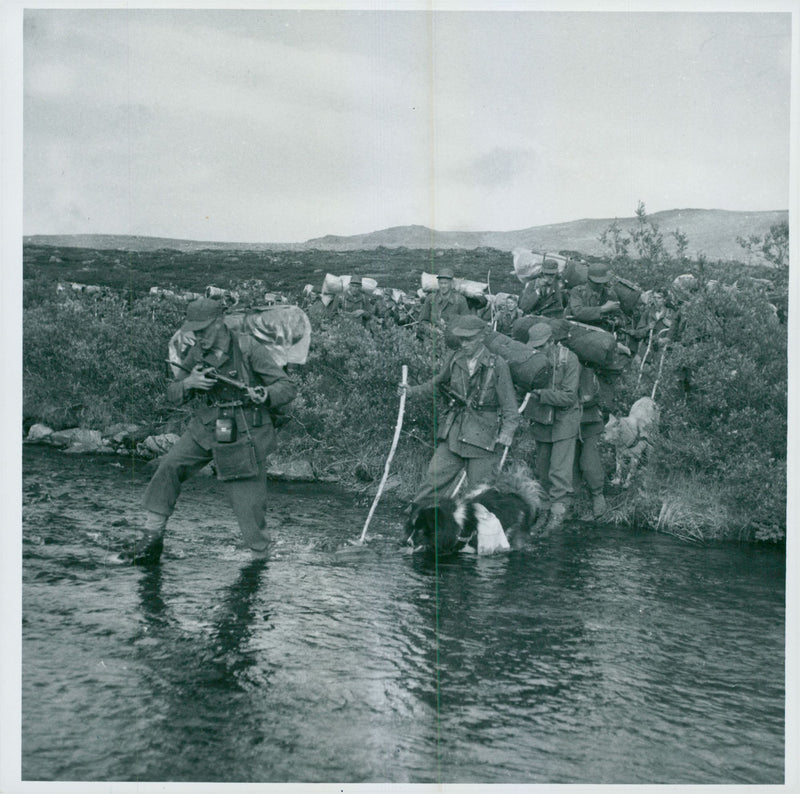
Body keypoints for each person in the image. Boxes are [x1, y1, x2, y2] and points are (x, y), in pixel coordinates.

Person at [122, 297, 297, 565]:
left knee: (248, 505)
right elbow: (172, 393)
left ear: (220, 322)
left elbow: (286, 387)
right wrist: (189, 383)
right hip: (207, 426)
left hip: (245, 432)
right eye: (194, 331)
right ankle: (151, 539)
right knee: (169, 466)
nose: (198, 336)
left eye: (203, 330)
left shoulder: (249, 348)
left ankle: (260, 561)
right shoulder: (196, 353)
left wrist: (265, 394)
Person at [403, 314, 520, 508]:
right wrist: (411, 391)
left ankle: (476, 535)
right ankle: (414, 525)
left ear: (481, 337)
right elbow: (437, 385)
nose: (463, 344)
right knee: (432, 481)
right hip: (454, 435)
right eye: (461, 339)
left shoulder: (497, 364)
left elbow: (510, 406)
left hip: (482, 440)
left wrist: (507, 432)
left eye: (469, 339)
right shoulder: (455, 358)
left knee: (480, 495)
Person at [525, 322, 581, 532]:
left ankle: (557, 519)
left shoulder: (570, 359)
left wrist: (541, 394)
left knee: (559, 472)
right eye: (535, 346)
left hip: (564, 422)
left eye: (541, 346)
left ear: (552, 342)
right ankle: (543, 513)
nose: (537, 350)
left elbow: (569, 397)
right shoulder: (531, 358)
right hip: (542, 421)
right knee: (542, 471)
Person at [573, 365, 608, 520]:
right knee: (571, 463)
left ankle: (597, 495)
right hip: (569, 424)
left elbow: (588, 397)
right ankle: (574, 502)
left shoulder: (587, 370)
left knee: (589, 462)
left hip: (590, 423)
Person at [565, 262, 626, 331]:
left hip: (600, 331)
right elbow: (577, 312)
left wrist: (617, 321)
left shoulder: (610, 294)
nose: (600, 285)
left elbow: (620, 318)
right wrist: (603, 309)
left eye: (602, 282)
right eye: (596, 283)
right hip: (578, 328)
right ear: (588, 279)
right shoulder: (578, 291)